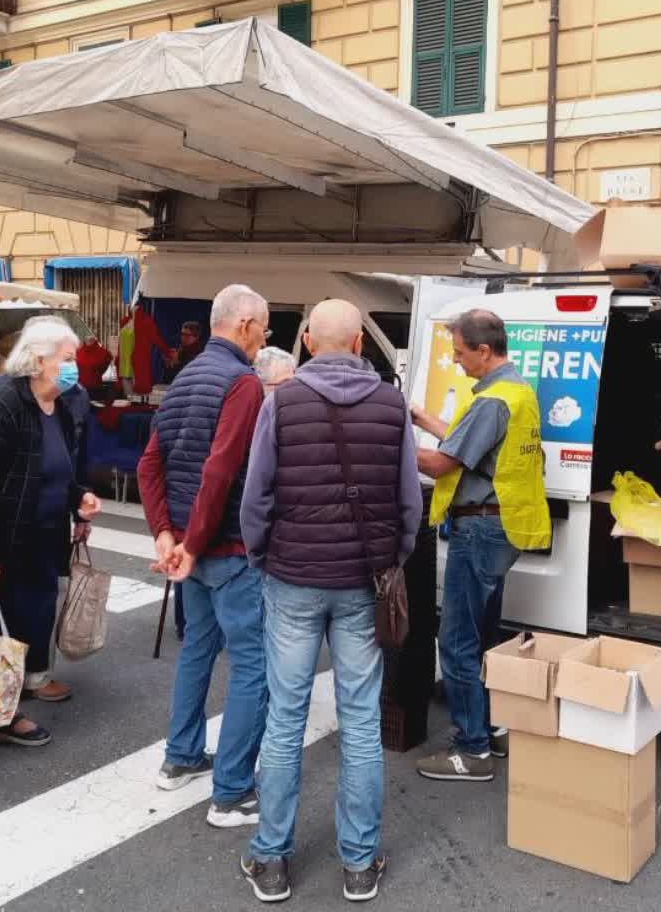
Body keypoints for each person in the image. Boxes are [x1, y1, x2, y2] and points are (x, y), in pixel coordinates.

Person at [236, 300, 419, 903]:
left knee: (285, 720)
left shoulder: (281, 402)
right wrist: (392, 561)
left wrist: (264, 557)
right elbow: (406, 504)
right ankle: (360, 864)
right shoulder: (392, 407)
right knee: (363, 721)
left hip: (292, 577)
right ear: (361, 346)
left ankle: (271, 860)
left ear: (309, 343)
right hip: (364, 582)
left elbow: (256, 496)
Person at [0, 316, 102, 779]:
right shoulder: (2, 401)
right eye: (68, 360)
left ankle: (3, 716)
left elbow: (58, 468)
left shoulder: (62, 404)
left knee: (21, 634)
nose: (75, 369)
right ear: (39, 359)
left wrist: (77, 499)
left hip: (38, 542)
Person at [137, 283, 271, 827]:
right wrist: (188, 544)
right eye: (264, 328)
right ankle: (233, 791)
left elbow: (151, 463)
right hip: (226, 547)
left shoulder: (185, 376)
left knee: (197, 649)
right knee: (252, 665)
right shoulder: (243, 383)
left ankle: (182, 756)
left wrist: (165, 535)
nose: (265, 339)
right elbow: (220, 470)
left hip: (191, 546)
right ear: (244, 326)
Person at [408, 308, 550, 782]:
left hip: (482, 529)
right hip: (502, 527)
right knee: (486, 636)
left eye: (460, 352)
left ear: (484, 351)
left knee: (458, 639)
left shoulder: (492, 402)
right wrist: (422, 417)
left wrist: (383, 437)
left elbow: (442, 465)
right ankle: (491, 729)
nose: (455, 360)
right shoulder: (515, 392)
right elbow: (472, 446)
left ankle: (472, 750)